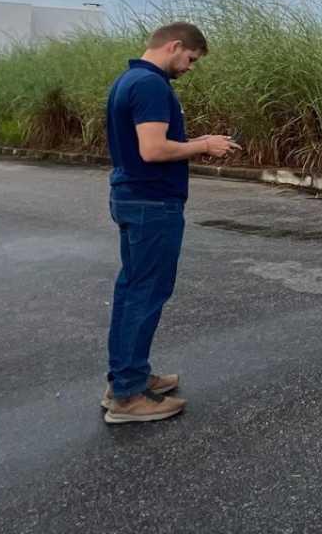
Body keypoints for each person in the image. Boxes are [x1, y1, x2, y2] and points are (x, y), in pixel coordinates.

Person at [101, 22, 238, 424]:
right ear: (175, 46)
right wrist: (204, 145)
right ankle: (128, 397)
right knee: (145, 293)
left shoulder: (128, 80)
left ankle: (128, 377)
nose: (190, 68)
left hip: (133, 196)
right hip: (152, 202)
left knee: (132, 290)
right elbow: (153, 149)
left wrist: (197, 142)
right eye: (191, 59)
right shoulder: (151, 86)